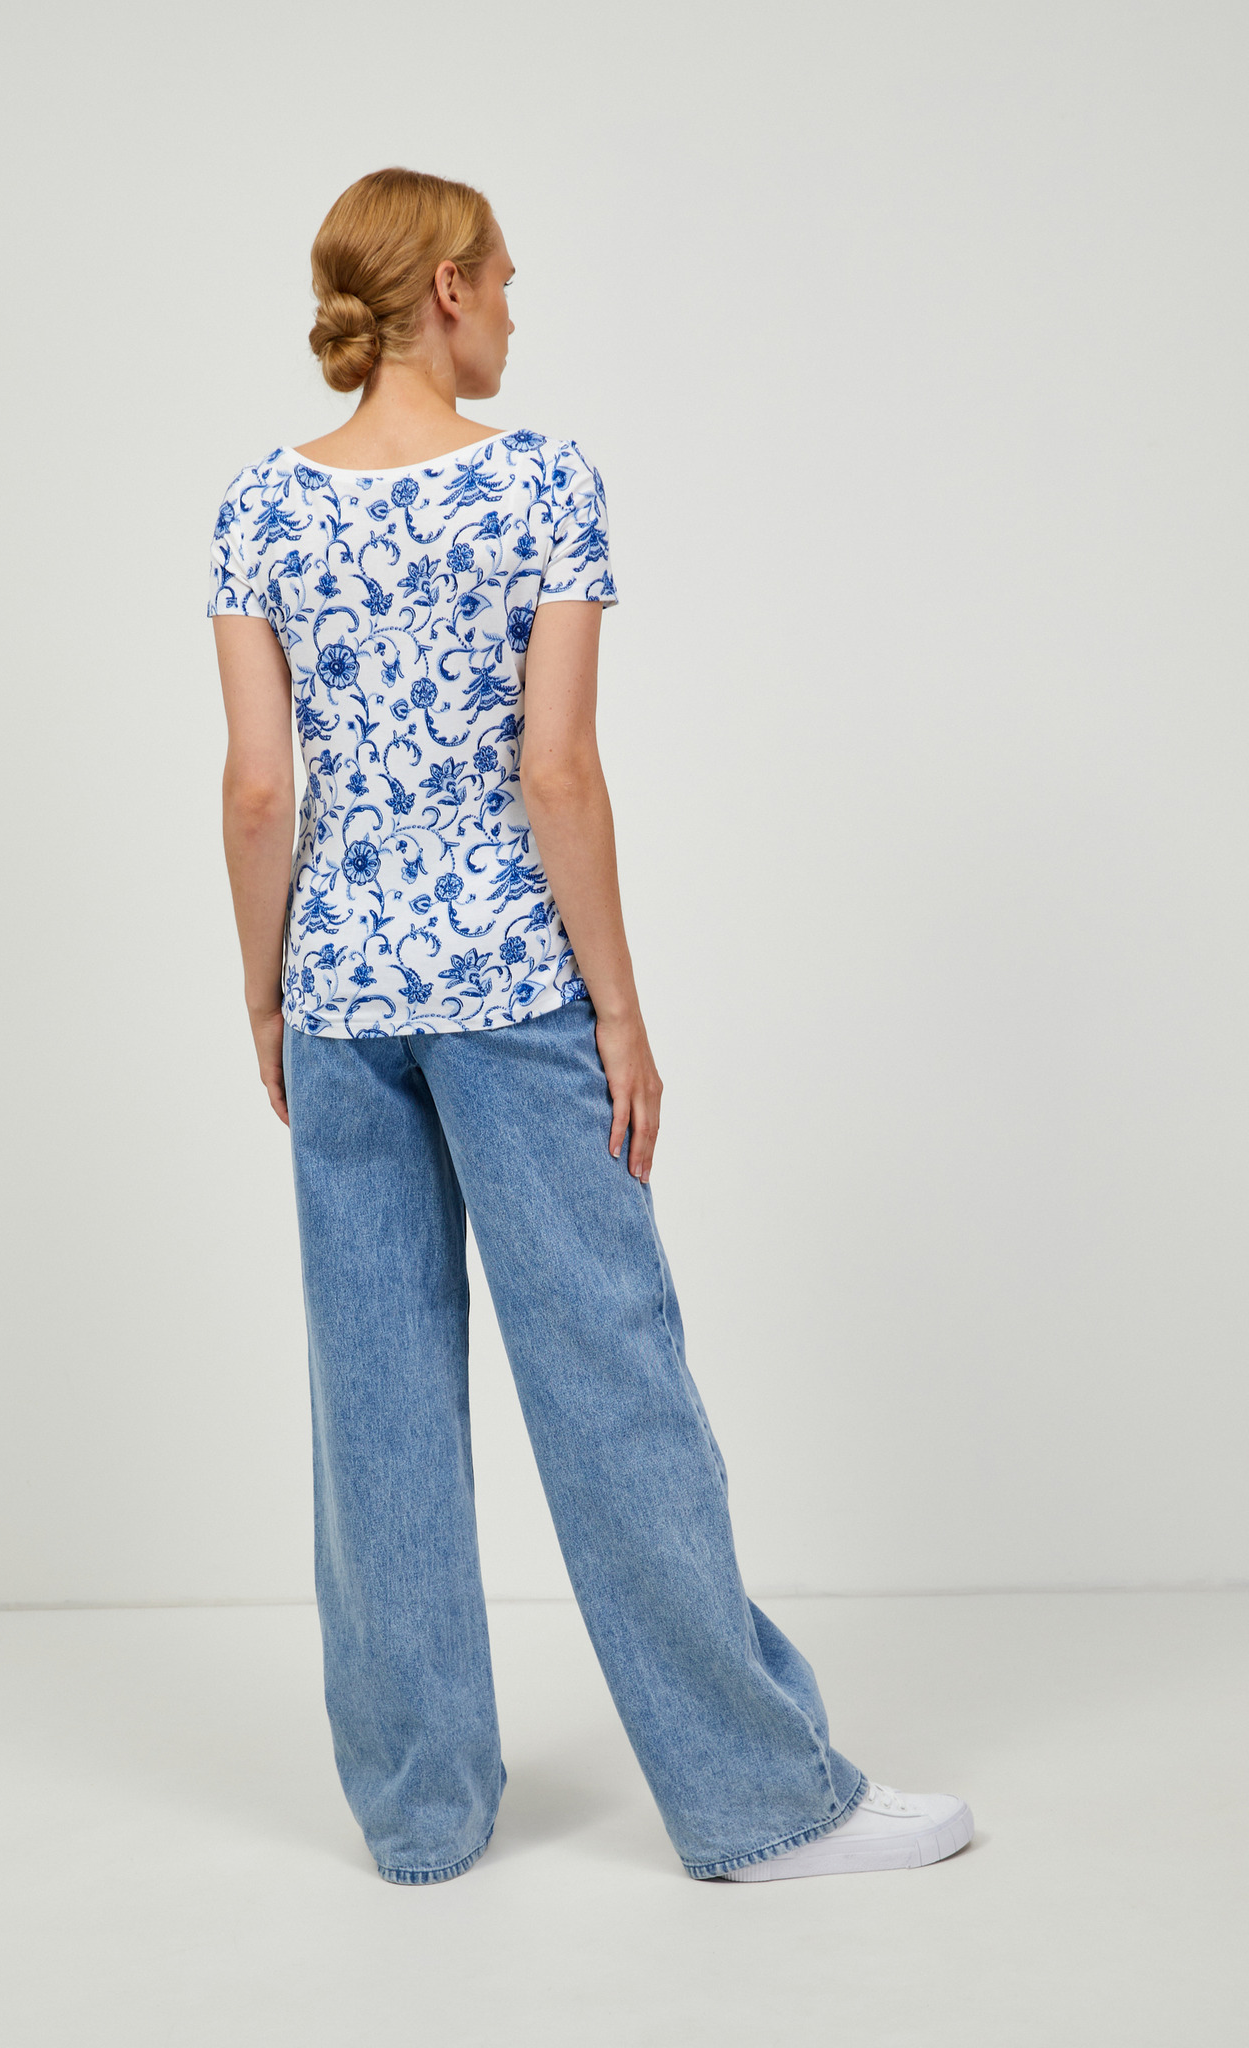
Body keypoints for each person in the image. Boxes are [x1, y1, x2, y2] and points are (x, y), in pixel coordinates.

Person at [208, 166, 971, 1886]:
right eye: (507, 281)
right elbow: (554, 769)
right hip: (508, 985)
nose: (516, 312)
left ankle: (420, 1821)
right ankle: (759, 1804)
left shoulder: (259, 503)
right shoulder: (542, 481)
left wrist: (265, 987)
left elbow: (260, 791)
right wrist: (619, 1010)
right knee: (614, 1379)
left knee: (376, 1404)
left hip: (341, 998)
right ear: (451, 288)